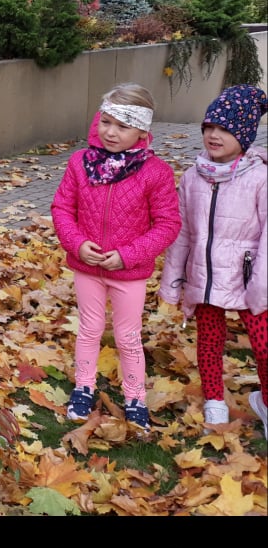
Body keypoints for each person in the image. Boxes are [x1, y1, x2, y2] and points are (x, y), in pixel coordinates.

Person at [51, 83, 181, 431]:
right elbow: (62, 208)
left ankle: (135, 397)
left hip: (129, 273)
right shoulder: (80, 163)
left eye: (122, 126)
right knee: (89, 329)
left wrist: (128, 255)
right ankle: (83, 387)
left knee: (127, 337)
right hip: (88, 268)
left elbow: (167, 224)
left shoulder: (156, 173)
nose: (110, 132)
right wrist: (77, 243)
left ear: (141, 130)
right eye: (106, 121)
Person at [159, 84, 267, 437]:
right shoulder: (193, 177)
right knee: (209, 340)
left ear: (244, 135)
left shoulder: (260, 177)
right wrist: (173, 281)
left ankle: (265, 402)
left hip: (249, 278)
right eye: (209, 127)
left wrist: (262, 284)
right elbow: (182, 233)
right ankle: (214, 401)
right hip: (204, 276)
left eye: (225, 129)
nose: (214, 135)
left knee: (264, 346)